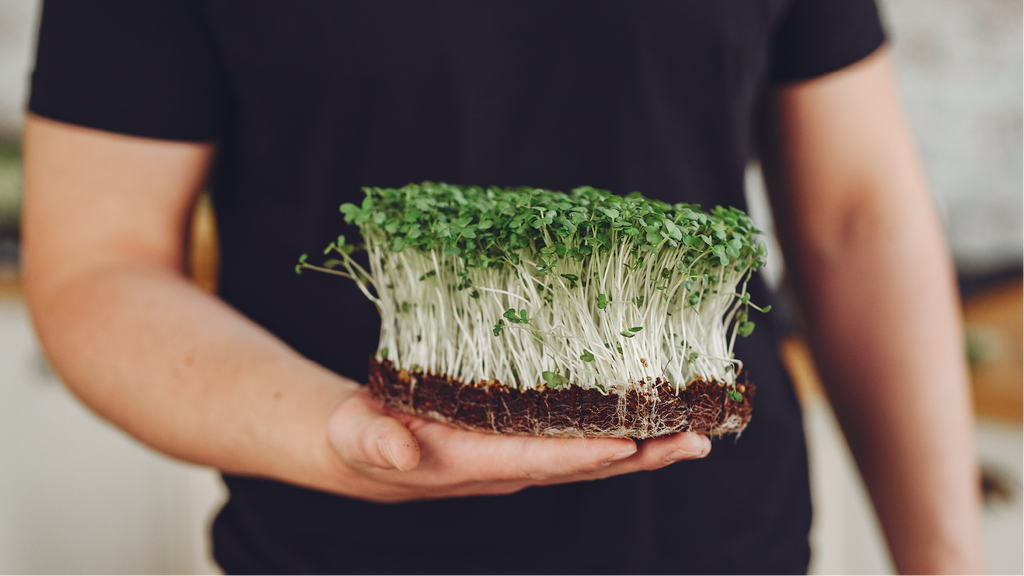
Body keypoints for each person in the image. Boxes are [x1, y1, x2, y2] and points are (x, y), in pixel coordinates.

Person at [21, 0, 986, 574]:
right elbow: (97, 263)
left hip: (719, 542)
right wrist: (340, 436)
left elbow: (859, 222)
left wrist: (944, 564)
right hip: (336, 552)